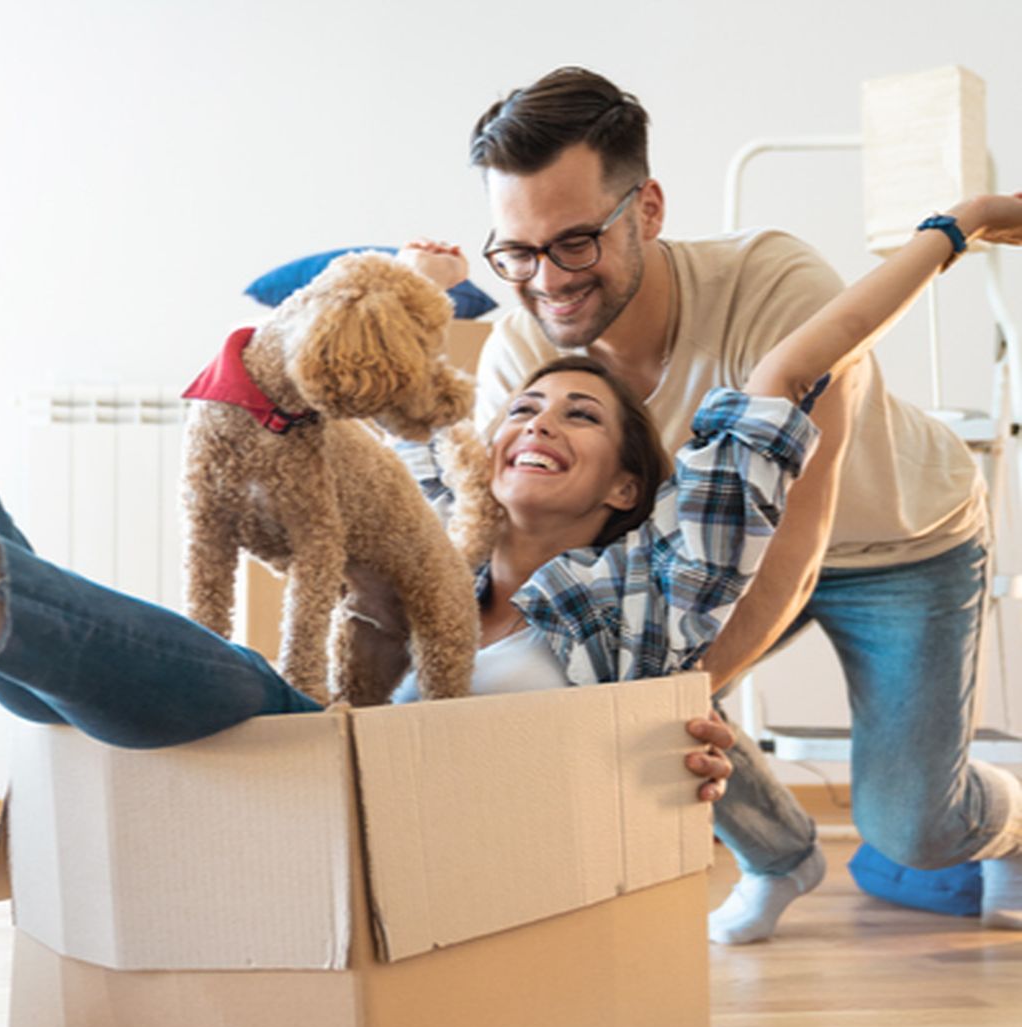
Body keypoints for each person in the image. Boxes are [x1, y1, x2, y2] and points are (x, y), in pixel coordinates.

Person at [0, 191, 1018, 823]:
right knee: (190, 713)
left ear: (628, 484)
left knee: (235, 708)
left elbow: (800, 364)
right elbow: (282, 316)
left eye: (581, 414)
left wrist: (948, 232)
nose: (533, 419)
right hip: (347, 789)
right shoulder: (441, 544)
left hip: (414, 827)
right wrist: (410, 278)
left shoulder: (654, 597)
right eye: (523, 405)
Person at [400, 66, 1022, 942]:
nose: (546, 281)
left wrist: (646, 712)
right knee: (616, 648)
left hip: (896, 544)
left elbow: (794, 547)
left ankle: (1012, 819)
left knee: (914, 828)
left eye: (575, 243)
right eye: (518, 252)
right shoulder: (516, 354)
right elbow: (527, 564)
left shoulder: (772, 284)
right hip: (710, 560)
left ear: (647, 210)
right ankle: (781, 854)